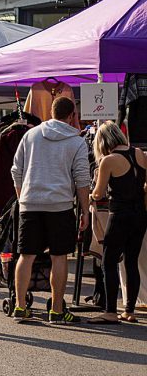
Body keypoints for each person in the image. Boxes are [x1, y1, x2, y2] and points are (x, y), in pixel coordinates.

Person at [10, 96, 90, 324]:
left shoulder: (30, 135)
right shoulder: (77, 142)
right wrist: (85, 210)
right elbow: (82, 179)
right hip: (60, 205)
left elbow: (16, 170)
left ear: (51, 112)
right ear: (72, 115)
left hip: (30, 203)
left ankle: (20, 306)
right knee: (59, 256)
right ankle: (56, 309)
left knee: (26, 256)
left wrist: (22, 197)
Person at [88, 122, 147, 324]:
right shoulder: (139, 153)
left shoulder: (109, 160)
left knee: (109, 261)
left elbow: (99, 192)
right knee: (132, 261)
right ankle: (129, 310)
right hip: (140, 215)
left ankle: (111, 311)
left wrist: (90, 194)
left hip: (119, 214)